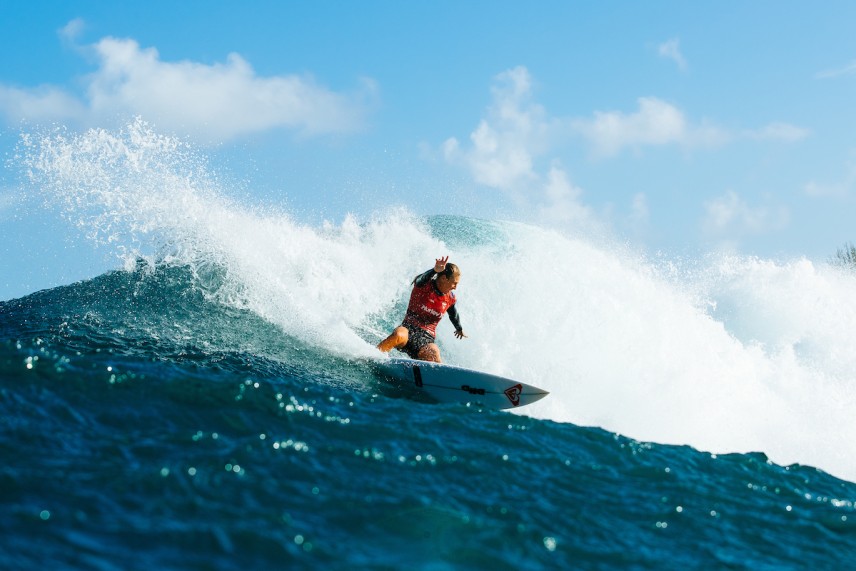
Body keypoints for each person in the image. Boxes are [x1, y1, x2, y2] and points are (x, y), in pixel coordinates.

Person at [377, 256, 467, 363]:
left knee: (434, 352)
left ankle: (436, 378)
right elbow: (421, 279)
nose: (455, 287)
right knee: (398, 335)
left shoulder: (450, 298)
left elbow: (453, 314)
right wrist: (434, 270)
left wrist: (459, 328)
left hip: (426, 338)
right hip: (408, 328)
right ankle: (374, 357)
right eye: (454, 283)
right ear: (443, 278)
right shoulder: (424, 285)